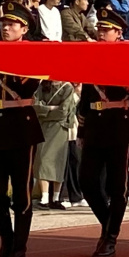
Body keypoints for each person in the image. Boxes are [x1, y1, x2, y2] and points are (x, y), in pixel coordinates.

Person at [0, 1, 44, 257]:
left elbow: (26, 82)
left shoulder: (33, 54)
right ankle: (7, 240)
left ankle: (20, 249)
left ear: (24, 28)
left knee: (22, 194)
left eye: (11, 24)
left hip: (22, 126)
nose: (5, 28)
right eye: (3, 24)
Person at [76, 8, 129, 257]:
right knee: (87, 182)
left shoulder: (128, 57)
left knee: (118, 187)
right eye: (99, 29)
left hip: (118, 126)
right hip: (94, 125)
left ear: (119, 32)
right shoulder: (91, 56)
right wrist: (82, 128)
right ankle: (108, 223)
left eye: (106, 30)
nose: (101, 33)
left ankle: (110, 237)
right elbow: (86, 95)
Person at [33, 77, 79, 210]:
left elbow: (63, 111)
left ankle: (56, 197)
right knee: (42, 160)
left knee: (58, 161)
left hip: (59, 128)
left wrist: (46, 111)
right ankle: (45, 197)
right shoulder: (42, 86)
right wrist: (51, 109)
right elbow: (35, 105)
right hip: (44, 127)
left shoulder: (67, 87)